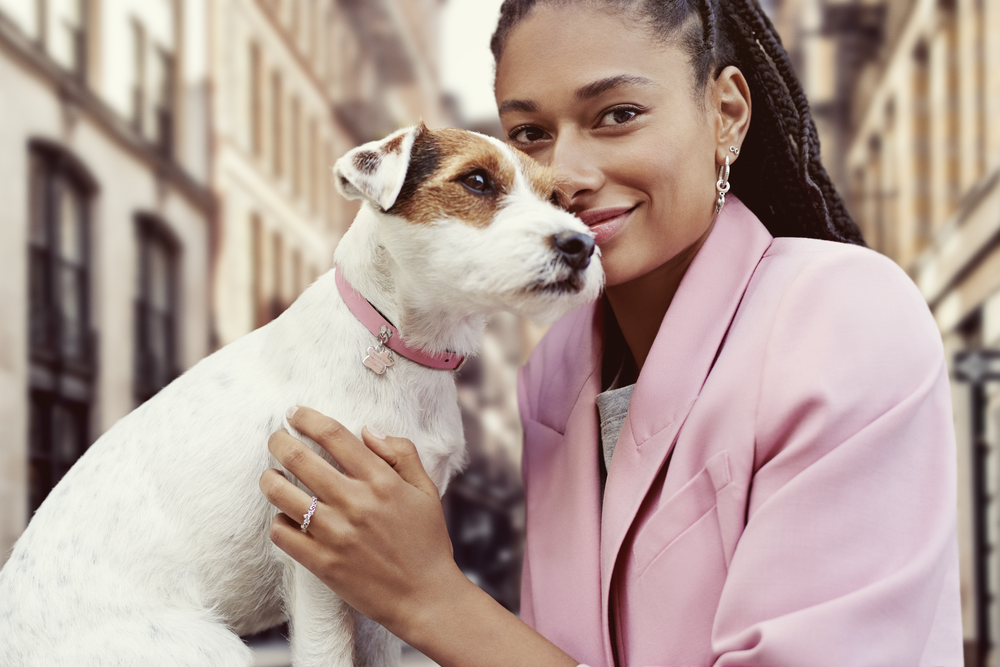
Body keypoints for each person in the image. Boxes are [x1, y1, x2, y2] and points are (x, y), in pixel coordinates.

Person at [259, 1, 963, 665]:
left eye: (618, 114)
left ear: (726, 115)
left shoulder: (845, 315)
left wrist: (429, 597)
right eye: (530, 133)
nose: (562, 175)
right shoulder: (555, 370)